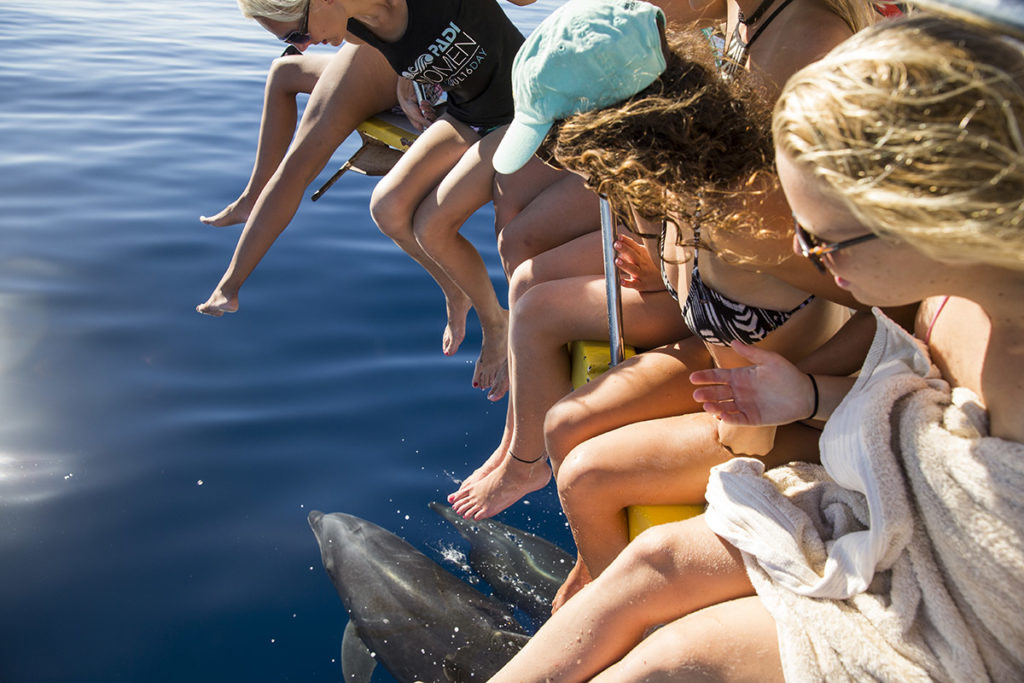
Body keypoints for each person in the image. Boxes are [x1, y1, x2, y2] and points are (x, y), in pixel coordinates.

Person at [488, 13, 1024, 680]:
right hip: (811, 415)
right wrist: (802, 392)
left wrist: (803, 396)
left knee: (620, 538)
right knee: (593, 470)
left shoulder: (780, 230)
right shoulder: (938, 284)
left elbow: (880, 324)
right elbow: (911, 382)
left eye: (823, 240)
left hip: (836, 459)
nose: (807, 250)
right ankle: (590, 576)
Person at [448, 0, 876, 560]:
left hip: (785, 417)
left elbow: (893, 307)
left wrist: (800, 390)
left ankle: (595, 585)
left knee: (586, 477)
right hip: (727, 373)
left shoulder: (753, 218)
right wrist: (661, 273)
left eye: (563, 144)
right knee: (562, 422)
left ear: (616, 130)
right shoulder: (667, 190)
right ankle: (587, 564)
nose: (564, 164)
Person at [198, 0, 534, 399]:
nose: (303, 47)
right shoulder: (360, 27)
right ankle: (462, 294)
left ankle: (495, 323)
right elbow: (402, 50)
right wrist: (408, 77)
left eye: (297, 34)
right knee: (386, 207)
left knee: (431, 224)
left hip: (518, 110)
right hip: (466, 114)